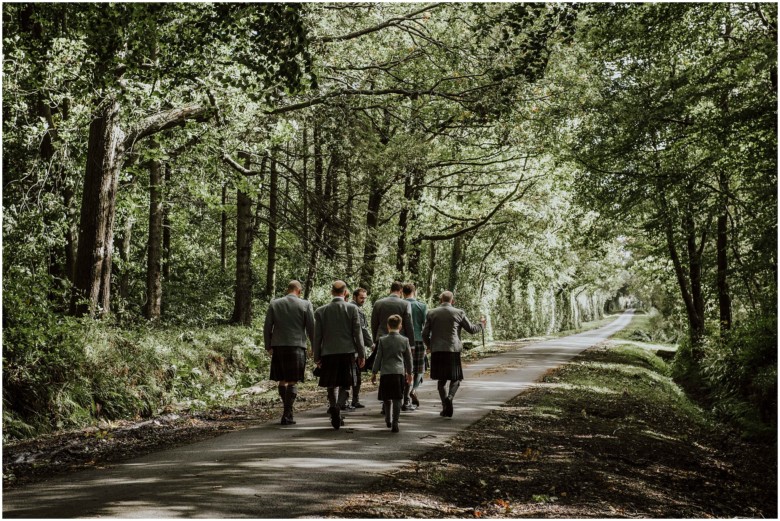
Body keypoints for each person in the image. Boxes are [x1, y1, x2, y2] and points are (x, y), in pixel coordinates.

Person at [422, 291, 486, 418]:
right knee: (455, 378)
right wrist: (481, 324)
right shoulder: (459, 313)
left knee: (441, 380)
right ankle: (450, 398)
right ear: (453, 301)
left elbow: (424, 334)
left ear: (440, 300)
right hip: (453, 350)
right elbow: (472, 330)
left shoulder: (431, 313)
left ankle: (445, 407)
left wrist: (429, 345)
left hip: (438, 350)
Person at [313, 280, 366, 430]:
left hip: (328, 353)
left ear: (331, 292)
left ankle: (333, 406)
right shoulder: (352, 309)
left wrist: (317, 356)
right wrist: (361, 354)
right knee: (346, 383)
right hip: (347, 352)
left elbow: (317, 337)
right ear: (345, 292)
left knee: (331, 384)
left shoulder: (320, 311)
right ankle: (337, 406)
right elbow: (358, 334)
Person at [263, 280, 315, 425]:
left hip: (278, 346)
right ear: (299, 291)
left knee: (282, 379)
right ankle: (287, 413)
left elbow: (267, 327)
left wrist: (268, 345)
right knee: (292, 380)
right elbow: (311, 329)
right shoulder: (305, 304)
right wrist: (314, 347)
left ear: (288, 289)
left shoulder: (275, 303)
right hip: (297, 346)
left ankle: (287, 412)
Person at [370, 281, 415, 415]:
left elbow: (374, 323)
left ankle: (385, 401)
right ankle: (396, 398)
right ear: (401, 291)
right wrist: (411, 344)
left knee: (385, 369)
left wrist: (375, 340)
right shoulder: (405, 304)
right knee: (397, 368)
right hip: (399, 340)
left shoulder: (378, 303)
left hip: (381, 339)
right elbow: (409, 325)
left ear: (391, 289)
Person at [371, 314, 413, 433]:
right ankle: (395, 421)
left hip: (385, 373)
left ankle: (387, 418)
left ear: (388, 325)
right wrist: (410, 373)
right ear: (400, 326)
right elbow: (408, 359)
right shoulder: (405, 340)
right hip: (398, 372)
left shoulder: (383, 340)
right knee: (397, 398)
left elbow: (378, 358)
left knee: (387, 397)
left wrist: (374, 372)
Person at [402, 283, 427, 410]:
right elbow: (426, 325)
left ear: (403, 292)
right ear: (414, 291)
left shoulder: (400, 304)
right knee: (419, 369)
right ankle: (414, 389)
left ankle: (404, 395)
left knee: (405, 367)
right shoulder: (421, 306)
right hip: (418, 340)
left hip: (403, 340)